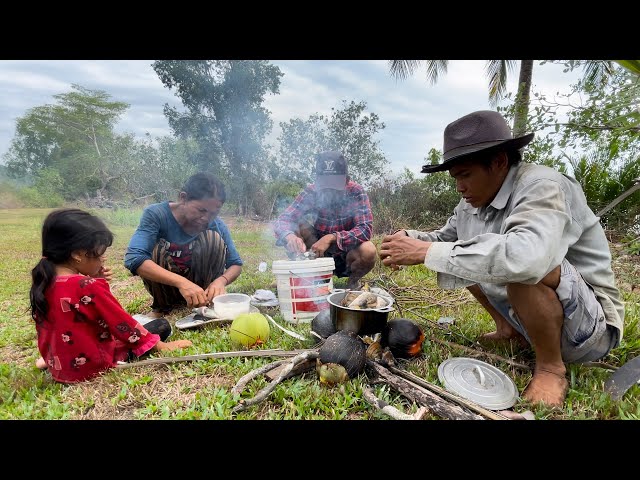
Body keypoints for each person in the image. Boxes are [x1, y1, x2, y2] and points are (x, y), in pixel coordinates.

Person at [379, 110, 624, 408]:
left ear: (498, 162)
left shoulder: (543, 186)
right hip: (529, 321)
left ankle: (550, 367)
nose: (460, 187)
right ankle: (508, 329)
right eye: (456, 178)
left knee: (523, 265)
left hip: (588, 331)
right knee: (457, 254)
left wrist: (426, 251)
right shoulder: (471, 202)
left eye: (465, 175)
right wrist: (408, 239)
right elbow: (446, 240)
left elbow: (529, 258)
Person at [30, 208, 192, 383]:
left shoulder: (44, 280)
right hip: (90, 366)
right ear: (77, 254)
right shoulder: (86, 286)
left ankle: (48, 360)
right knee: (161, 326)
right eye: (99, 254)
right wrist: (161, 346)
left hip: (60, 366)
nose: (103, 260)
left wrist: (95, 279)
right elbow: (120, 322)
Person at [124, 172, 243, 317]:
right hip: (168, 289)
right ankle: (162, 308)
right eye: (201, 210)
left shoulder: (215, 224)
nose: (207, 218)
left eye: (213, 213)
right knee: (154, 248)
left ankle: (204, 301)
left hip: (201, 293)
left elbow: (236, 264)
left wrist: (221, 281)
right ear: (183, 198)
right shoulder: (156, 215)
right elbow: (134, 258)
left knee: (214, 239)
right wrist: (182, 283)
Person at [272, 151, 377, 290]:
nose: (329, 191)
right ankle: (305, 278)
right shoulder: (311, 191)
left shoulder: (356, 192)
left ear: (346, 180)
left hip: (347, 254)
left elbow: (365, 229)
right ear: (317, 180)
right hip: (317, 253)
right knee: (296, 226)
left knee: (368, 250)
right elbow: (284, 219)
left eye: (334, 186)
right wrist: (289, 236)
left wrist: (332, 237)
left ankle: (352, 282)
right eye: (325, 185)